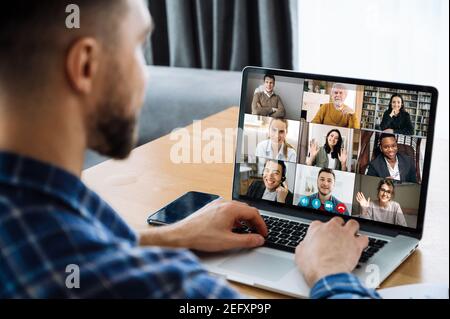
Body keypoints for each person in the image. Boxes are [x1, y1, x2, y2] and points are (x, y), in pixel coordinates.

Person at [0, 0, 379, 299]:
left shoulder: (39, 208)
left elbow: (94, 242)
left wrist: (171, 235)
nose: (145, 75)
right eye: (137, 47)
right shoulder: (165, 287)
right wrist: (330, 273)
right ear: (85, 65)